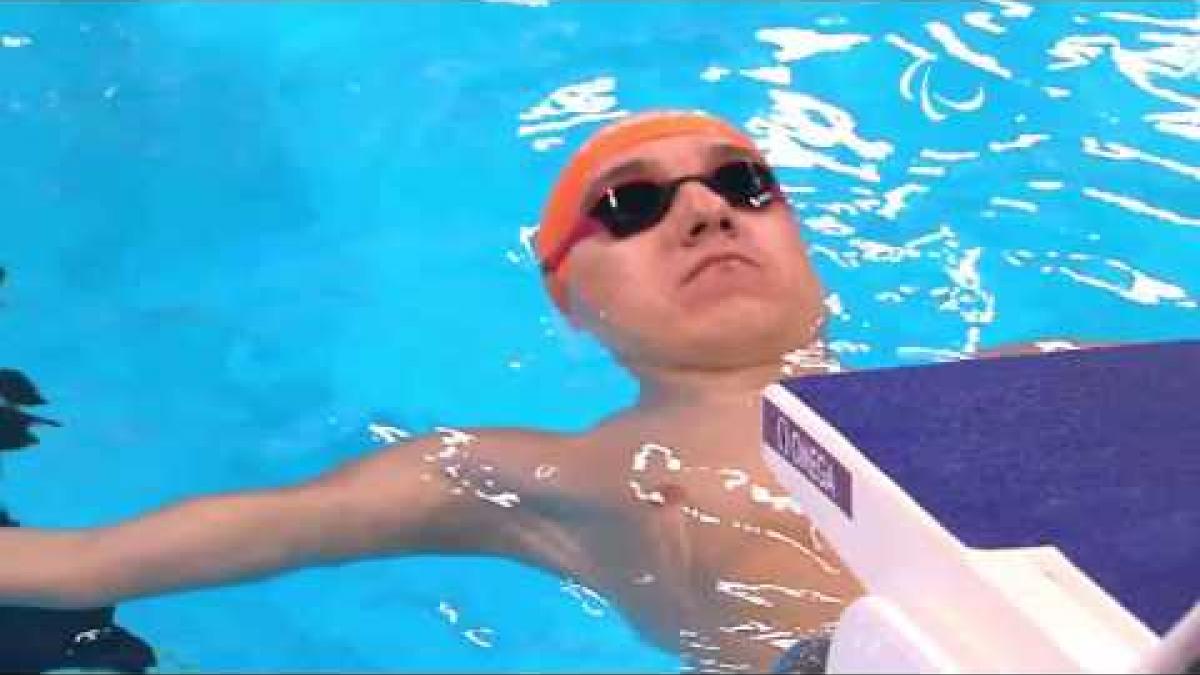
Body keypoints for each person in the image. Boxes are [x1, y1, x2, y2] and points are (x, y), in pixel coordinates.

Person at [0, 110, 1073, 673]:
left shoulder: (1037, 387)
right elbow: (82, 563)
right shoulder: (540, 476)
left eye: (743, 182)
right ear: (571, 299)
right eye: (632, 204)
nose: (704, 211)